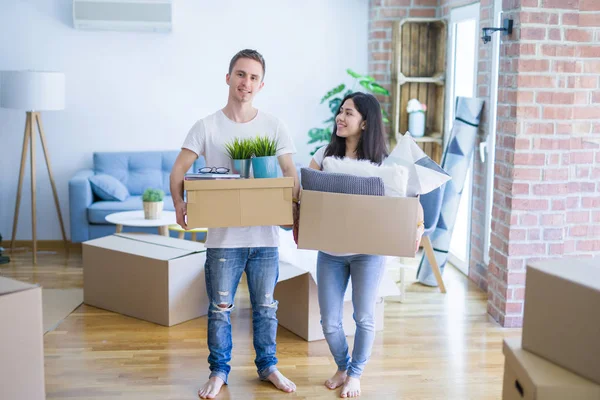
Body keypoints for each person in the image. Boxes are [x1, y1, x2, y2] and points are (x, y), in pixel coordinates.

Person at [170, 49, 300, 399]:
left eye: (254, 77)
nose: (246, 82)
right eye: (241, 74)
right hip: (223, 240)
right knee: (220, 310)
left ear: (261, 84)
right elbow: (179, 170)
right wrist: (180, 202)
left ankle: (268, 365)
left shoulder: (273, 125)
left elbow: (289, 173)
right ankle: (218, 372)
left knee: (266, 308)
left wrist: (295, 213)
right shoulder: (207, 126)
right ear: (228, 78)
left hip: (266, 238)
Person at [306, 92, 423, 398]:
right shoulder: (323, 156)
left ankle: (356, 374)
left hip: (368, 253)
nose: (340, 118)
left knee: (363, 317)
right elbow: (306, 196)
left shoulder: (385, 163)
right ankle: (343, 366)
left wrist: (416, 226)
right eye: (340, 112)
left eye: (348, 114)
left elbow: (412, 205)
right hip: (330, 251)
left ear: (365, 123)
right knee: (329, 322)